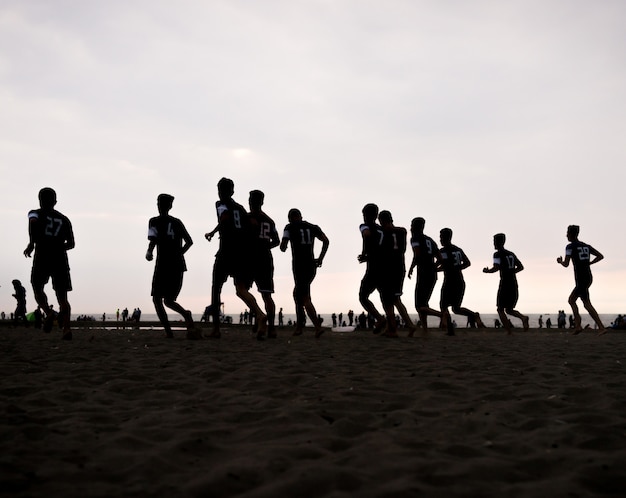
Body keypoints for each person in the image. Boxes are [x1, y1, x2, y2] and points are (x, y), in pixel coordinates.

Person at [206, 178, 267, 338]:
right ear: (232, 191)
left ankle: (216, 329)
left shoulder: (220, 205)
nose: (220, 193)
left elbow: (224, 218)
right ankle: (260, 314)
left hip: (225, 251)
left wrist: (215, 232)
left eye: (220, 190)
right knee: (241, 289)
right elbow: (253, 225)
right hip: (240, 253)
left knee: (216, 288)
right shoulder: (240, 209)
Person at [23, 187, 74, 340]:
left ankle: (49, 312)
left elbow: (32, 223)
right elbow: (71, 243)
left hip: (42, 255)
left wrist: (32, 243)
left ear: (40, 200)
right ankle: (66, 328)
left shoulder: (34, 213)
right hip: (60, 258)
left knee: (37, 287)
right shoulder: (64, 219)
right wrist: (58, 247)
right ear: (55, 201)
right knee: (62, 297)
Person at [146, 193, 198, 339]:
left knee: (158, 299)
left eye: (159, 203)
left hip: (164, 264)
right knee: (167, 300)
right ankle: (184, 316)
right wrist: (179, 253)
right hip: (177, 264)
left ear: (161, 205)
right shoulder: (177, 222)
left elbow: (153, 240)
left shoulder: (154, 221)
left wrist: (149, 251)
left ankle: (169, 331)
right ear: (170, 206)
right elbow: (189, 242)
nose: (158, 205)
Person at [280, 208, 329, 338]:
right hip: (311, 265)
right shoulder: (313, 227)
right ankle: (300, 326)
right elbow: (326, 240)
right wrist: (320, 258)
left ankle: (316, 327)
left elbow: (283, 246)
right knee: (298, 294)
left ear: (290, 218)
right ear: (301, 216)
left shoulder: (289, 227)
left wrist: (284, 245)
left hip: (299, 266)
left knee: (304, 296)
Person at [556, 225, 606, 334]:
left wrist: (560, 261)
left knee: (580, 302)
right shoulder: (586, 246)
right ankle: (581, 325)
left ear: (570, 234)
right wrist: (590, 263)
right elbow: (600, 256)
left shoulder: (570, 247)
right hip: (588, 276)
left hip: (581, 278)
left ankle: (596, 327)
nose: (566, 235)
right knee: (579, 301)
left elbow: (566, 264)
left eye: (567, 233)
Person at [438, 228, 484, 336]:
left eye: (441, 237)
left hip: (450, 281)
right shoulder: (458, 250)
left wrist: (435, 269)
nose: (440, 239)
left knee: (443, 305)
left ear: (445, 238)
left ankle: (450, 330)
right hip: (460, 281)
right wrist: (458, 267)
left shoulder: (443, 251)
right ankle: (474, 315)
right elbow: (467, 263)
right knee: (456, 308)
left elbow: (443, 265)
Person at [378, 210, 416, 337]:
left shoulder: (383, 232)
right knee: (394, 298)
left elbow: (382, 250)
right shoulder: (402, 231)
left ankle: (403, 326)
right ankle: (391, 327)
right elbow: (403, 249)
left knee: (389, 299)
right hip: (400, 267)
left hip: (388, 268)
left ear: (381, 221)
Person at [248, 190, 280, 339]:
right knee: (267, 295)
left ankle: (259, 317)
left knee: (243, 291)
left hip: (251, 257)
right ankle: (271, 328)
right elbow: (277, 241)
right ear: (262, 202)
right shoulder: (269, 221)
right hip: (266, 258)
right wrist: (265, 246)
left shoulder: (247, 218)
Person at [483, 233, 529, 334]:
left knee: (500, 309)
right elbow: (521, 267)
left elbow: (496, 267)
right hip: (513, 282)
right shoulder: (511, 254)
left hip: (504, 283)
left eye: (494, 241)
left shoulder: (497, 254)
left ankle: (508, 331)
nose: (493, 244)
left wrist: (487, 271)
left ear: (499, 242)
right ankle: (523, 317)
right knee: (509, 309)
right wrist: (512, 272)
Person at [408, 217, 442, 335]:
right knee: (424, 303)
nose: (410, 227)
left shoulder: (415, 238)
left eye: (412, 225)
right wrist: (434, 267)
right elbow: (440, 258)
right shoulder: (431, 240)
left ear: (415, 227)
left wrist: (412, 267)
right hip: (432, 274)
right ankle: (425, 330)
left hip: (423, 273)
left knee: (419, 305)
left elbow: (416, 254)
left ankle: (442, 315)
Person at [357, 203, 386, 333]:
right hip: (384, 265)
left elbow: (366, 236)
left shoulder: (365, 226)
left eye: (364, 215)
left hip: (373, 267)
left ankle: (379, 319)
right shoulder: (382, 230)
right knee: (386, 298)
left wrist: (365, 254)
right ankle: (390, 325)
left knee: (363, 297)